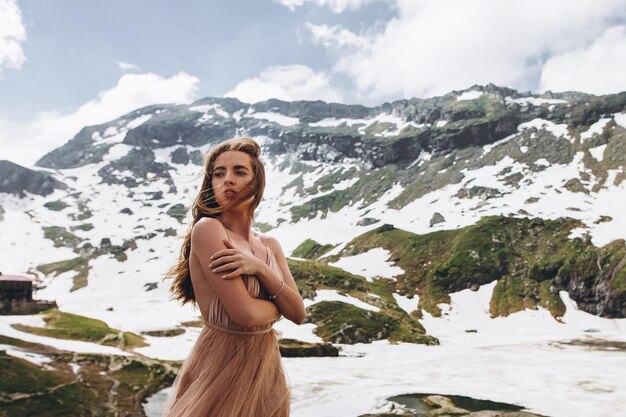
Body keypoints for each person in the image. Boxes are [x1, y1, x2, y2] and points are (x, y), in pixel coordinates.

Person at [161, 137, 306, 417]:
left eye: (239, 172)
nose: (227, 180)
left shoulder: (270, 245)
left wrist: (260, 268)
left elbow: (299, 314)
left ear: (256, 182)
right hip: (221, 365)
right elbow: (247, 315)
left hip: (266, 368)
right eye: (218, 173)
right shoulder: (208, 229)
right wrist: (281, 305)